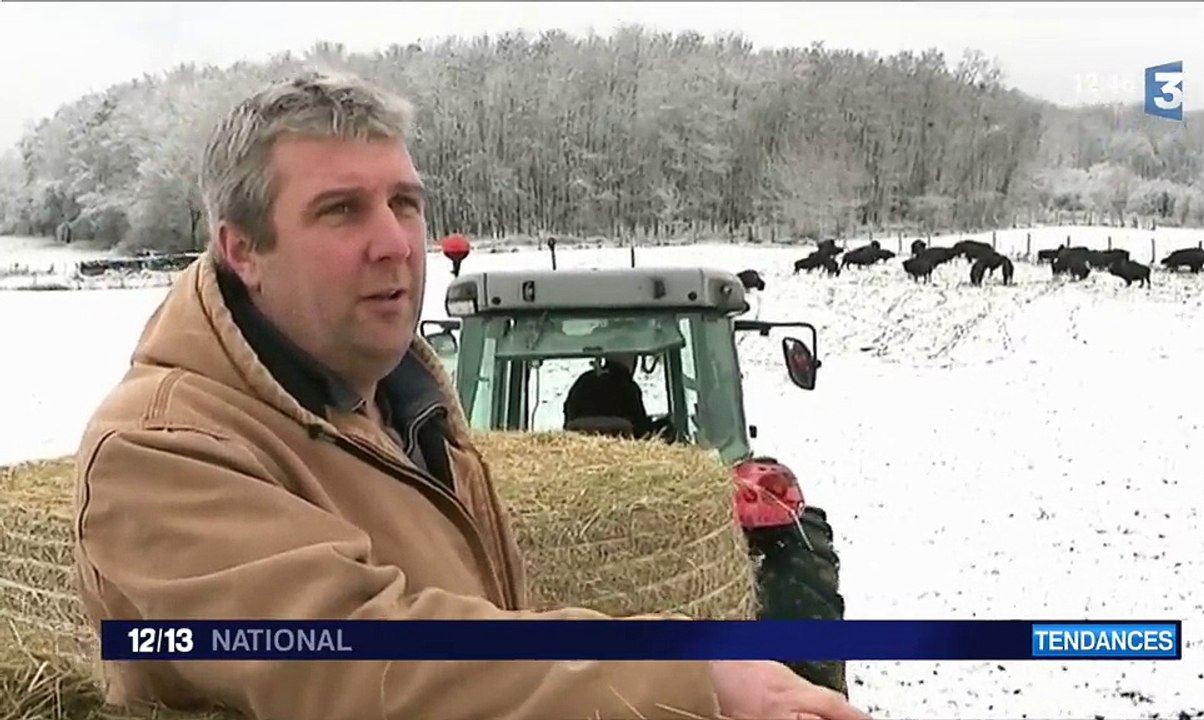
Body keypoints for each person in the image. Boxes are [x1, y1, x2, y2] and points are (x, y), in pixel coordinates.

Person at [70, 70, 871, 720]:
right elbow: (358, 662)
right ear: (243, 249)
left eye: (404, 203)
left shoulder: (400, 406)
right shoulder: (158, 452)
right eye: (341, 210)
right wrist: (690, 676)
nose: (393, 241)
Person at [562, 352, 653, 436]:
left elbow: (568, 414)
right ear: (633, 362)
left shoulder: (583, 382)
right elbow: (641, 430)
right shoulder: (628, 388)